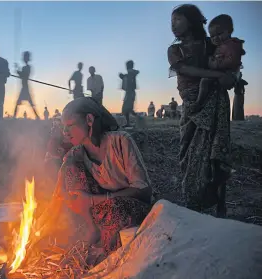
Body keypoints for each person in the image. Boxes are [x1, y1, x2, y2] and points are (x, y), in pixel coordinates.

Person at [34, 97, 152, 262]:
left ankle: (106, 250)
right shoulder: (77, 153)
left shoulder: (120, 141)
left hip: (128, 207)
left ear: (89, 120)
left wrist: (94, 200)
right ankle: (92, 229)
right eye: (63, 127)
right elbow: (58, 186)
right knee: (69, 167)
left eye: (70, 126)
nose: (65, 132)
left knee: (114, 209)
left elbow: (144, 191)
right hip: (101, 208)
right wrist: (42, 223)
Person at [168, 4, 236, 217]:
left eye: (178, 19)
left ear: (192, 20)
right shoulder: (174, 50)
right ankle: (193, 202)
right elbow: (185, 69)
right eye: (171, 21)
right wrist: (216, 76)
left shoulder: (210, 44)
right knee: (187, 153)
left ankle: (219, 204)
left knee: (216, 152)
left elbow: (227, 60)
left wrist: (230, 75)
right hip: (191, 106)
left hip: (215, 102)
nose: (173, 25)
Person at [192, 14, 245, 113]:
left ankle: (199, 102)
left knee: (204, 81)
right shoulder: (220, 45)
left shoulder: (232, 44)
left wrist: (215, 64)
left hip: (229, 75)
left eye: (219, 34)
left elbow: (232, 61)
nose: (215, 38)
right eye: (212, 36)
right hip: (223, 74)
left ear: (230, 31)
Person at [13, 51, 40, 119]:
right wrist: (18, 70)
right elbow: (22, 75)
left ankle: (14, 117)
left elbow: (23, 75)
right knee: (28, 104)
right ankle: (37, 117)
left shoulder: (27, 67)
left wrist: (18, 70)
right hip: (24, 87)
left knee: (21, 103)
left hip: (25, 88)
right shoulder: (26, 67)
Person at [120, 60, 140, 127]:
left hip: (130, 93)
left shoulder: (132, 72)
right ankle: (129, 122)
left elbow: (136, 72)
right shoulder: (129, 73)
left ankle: (139, 118)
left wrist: (124, 76)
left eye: (127, 65)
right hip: (128, 92)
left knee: (128, 108)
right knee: (126, 109)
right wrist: (123, 77)